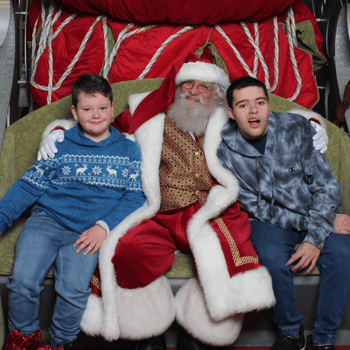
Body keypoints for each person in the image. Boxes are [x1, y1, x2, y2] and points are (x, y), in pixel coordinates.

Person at [37, 55, 326, 350]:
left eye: (203, 86)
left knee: (228, 255)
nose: (194, 91)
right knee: (128, 250)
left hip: (212, 210)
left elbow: (267, 119)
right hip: (159, 209)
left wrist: (312, 125)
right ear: (175, 89)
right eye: (187, 84)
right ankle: (146, 328)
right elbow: (97, 126)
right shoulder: (147, 117)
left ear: (215, 95)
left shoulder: (227, 118)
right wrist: (58, 133)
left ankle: (201, 330)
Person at [2, 74, 146, 350]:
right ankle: (24, 339)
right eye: (87, 109)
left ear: (112, 108)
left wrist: (104, 227)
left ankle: (59, 344)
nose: (96, 115)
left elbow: (135, 196)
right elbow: (26, 188)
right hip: (48, 221)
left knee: (73, 291)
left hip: (89, 231)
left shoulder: (130, 150)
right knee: (22, 282)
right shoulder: (58, 145)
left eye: (103, 108)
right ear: (74, 111)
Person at [217, 76, 350, 350]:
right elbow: (257, 207)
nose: (253, 111)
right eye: (243, 105)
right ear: (231, 112)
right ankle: (290, 331)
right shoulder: (225, 153)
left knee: (342, 253)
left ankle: (324, 339)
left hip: (319, 212)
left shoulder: (297, 128)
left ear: (268, 104)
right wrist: (317, 230)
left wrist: (315, 234)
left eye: (260, 102)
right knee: (270, 255)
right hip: (271, 221)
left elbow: (325, 186)